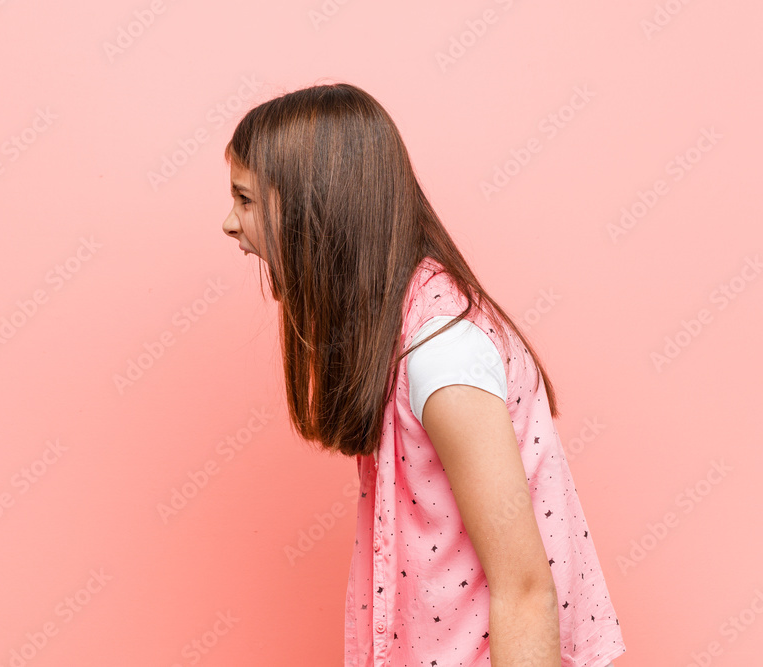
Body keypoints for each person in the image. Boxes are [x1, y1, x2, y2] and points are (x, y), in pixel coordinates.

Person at [221, 82, 625, 667]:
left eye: (246, 199)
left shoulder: (441, 354)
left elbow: (525, 591)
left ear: (317, 207)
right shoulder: (394, 331)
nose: (230, 223)